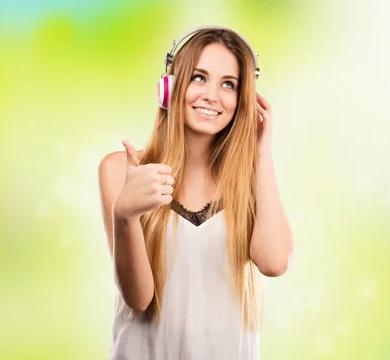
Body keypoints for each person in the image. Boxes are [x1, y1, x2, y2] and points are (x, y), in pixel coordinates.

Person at [98, 26, 293, 360]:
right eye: (199, 78)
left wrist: (262, 153)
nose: (212, 95)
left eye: (228, 84)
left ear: (243, 101)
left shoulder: (252, 178)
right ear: (169, 88)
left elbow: (274, 263)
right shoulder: (122, 169)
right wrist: (125, 214)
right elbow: (138, 297)